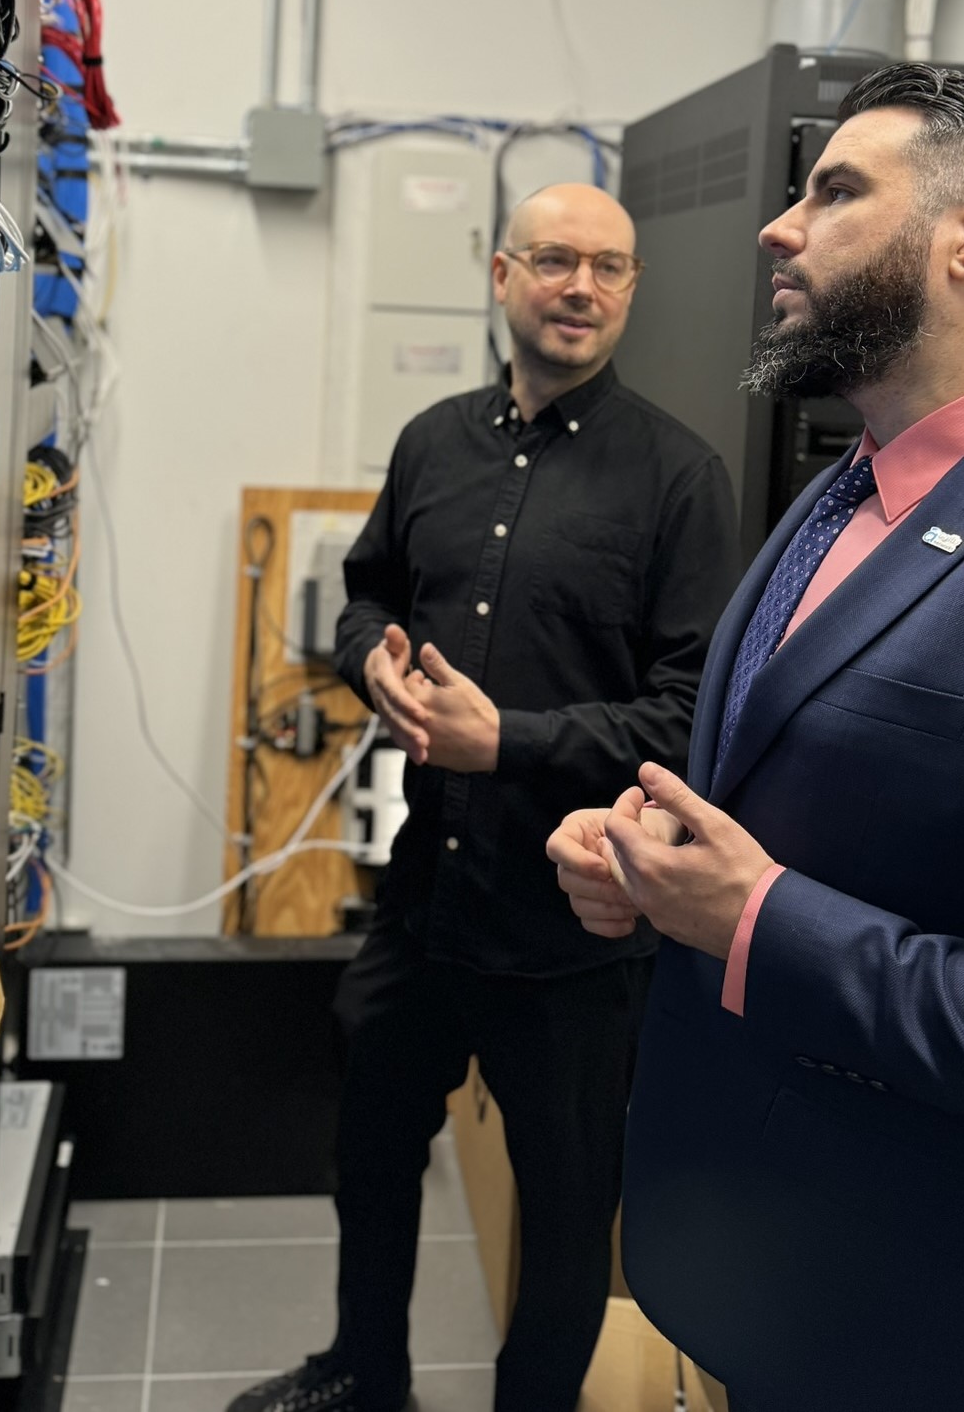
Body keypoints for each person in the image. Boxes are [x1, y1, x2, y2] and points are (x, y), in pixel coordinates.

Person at [549, 63, 964, 1412]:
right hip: (768, 1273)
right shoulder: (842, 492)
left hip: (943, 1334)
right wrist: (653, 868)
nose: (780, 227)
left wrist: (759, 922)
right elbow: (816, 812)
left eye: (835, 191)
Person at [228, 183, 740, 1412]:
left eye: (611, 268)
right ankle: (364, 1373)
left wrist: (502, 738)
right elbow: (363, 596)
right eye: (558, 259)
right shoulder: (431, 444)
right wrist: (375, 666)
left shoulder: (679, 478)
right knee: (370, 1147)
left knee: (567, 1215)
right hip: (424, 904)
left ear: (629, 292)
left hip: (573, 932)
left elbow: (689, 716)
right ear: (503, 274)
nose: (583, 287)